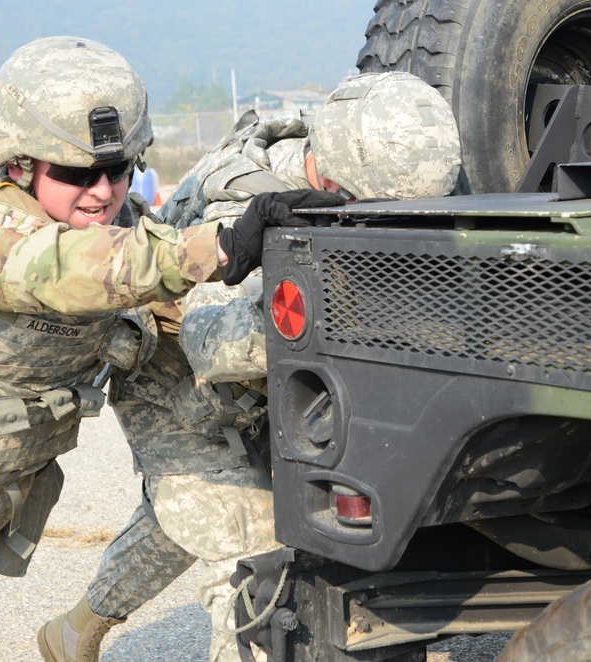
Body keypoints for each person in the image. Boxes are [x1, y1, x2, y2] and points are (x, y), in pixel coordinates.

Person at [0, 35, 322, 662]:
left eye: (118, 171)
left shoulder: (127, 241)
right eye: (75, 174)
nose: (101, 192)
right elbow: (49, 266)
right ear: (18, 164)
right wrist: (215, 248)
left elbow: (175, 329)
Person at [38, 71, 462, 662]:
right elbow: (208, 340)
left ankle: (75, 626)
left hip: (283, 390)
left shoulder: (395, 169)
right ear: (336, 176)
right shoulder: (244, 202)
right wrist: (339, 316)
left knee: (186, 515)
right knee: (251, 547)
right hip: (176, 382)